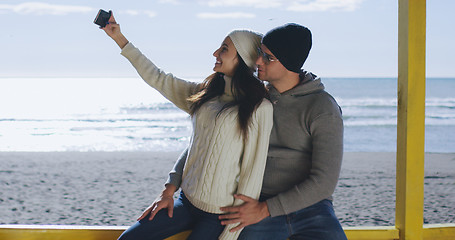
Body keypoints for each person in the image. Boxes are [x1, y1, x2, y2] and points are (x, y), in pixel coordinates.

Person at [99, 12, 273, 240]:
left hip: (218, 215)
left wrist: (230, 234)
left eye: (224, 49)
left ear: (241, 58)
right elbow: (159, 79)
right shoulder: (206, 94)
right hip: (185, 201)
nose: (215, 53)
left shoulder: (259, 108)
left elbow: (252, 174)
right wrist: (119, 38)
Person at [171, 23, 347, 239]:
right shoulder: (252, 97)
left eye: (268, 57)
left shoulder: (322, 108)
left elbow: (324, 181)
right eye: (259, 54)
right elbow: (207, 140)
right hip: (255, 204)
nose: (257, 61)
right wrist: (173, 183)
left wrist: (266, 209)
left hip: (310, 208)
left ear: (289, 63)